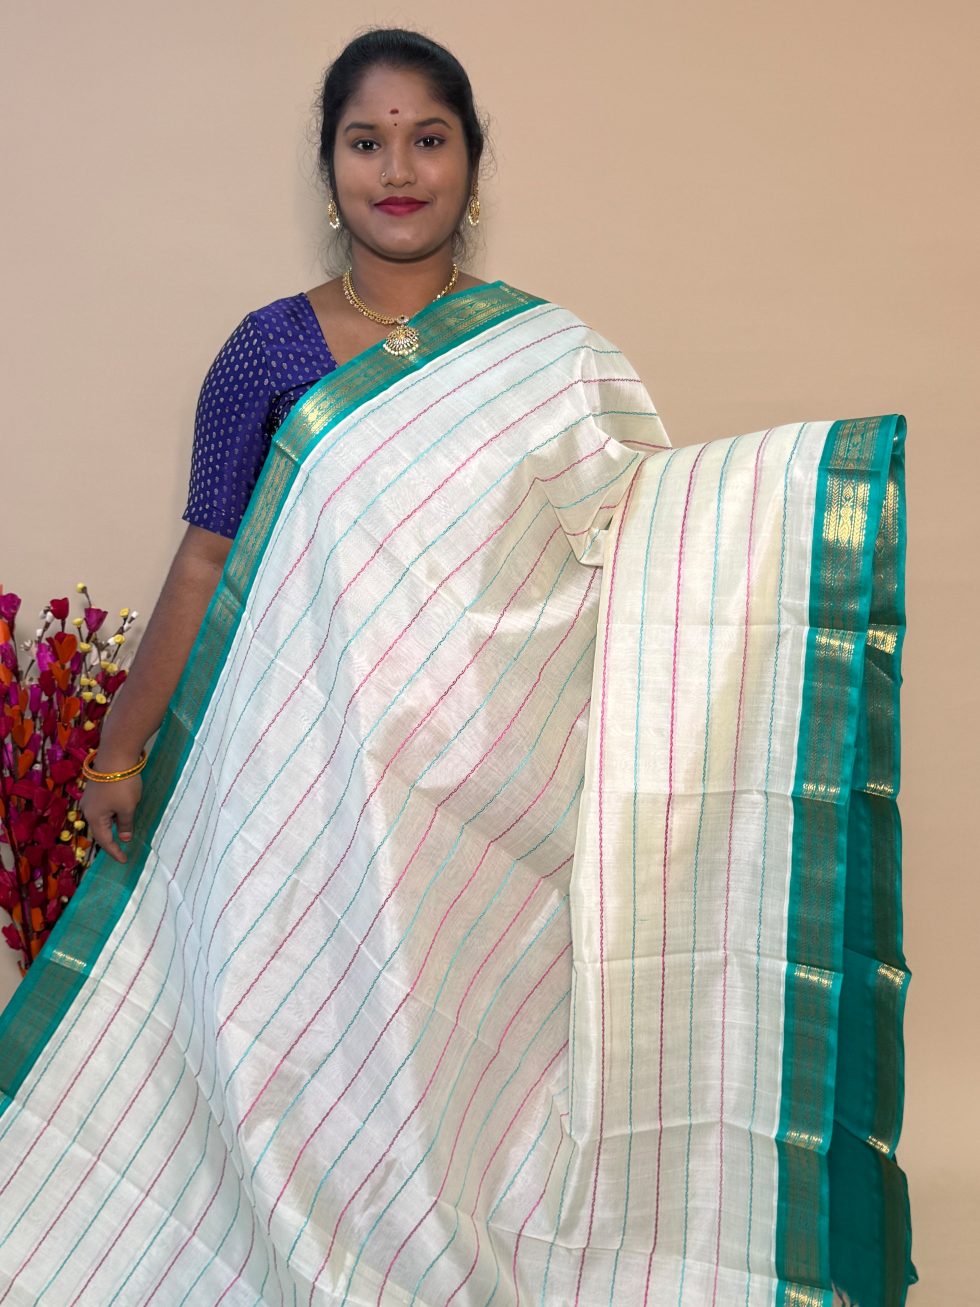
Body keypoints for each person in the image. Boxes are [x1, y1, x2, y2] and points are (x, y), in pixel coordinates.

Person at [0, 28, 914, 1307]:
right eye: (365, 141)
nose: (397, 169)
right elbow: (205, 558)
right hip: (287, 788)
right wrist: (117, 748)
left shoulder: (546, 359)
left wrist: (802, 504)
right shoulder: (267, 353)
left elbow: (640, 541)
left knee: (437, 1059)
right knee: (282, 1042)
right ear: (328, 168)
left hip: (474, 806)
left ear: (472, 166)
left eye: (427, 139)